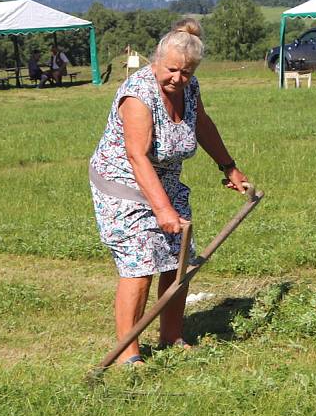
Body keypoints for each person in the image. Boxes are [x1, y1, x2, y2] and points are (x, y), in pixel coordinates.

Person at [89, 18, 249, 366]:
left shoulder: (189, 89)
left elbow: (202, 124)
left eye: (186, 72)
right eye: (172, 69)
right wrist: (162, 210)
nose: (178, 78)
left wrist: (229, 167)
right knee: (140, 262)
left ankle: (172, 336)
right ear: (155, 61)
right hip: (124, 183)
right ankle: (127, 353)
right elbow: (137, 156)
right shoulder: (139, 94)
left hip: (166, 180)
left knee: (179, 261)